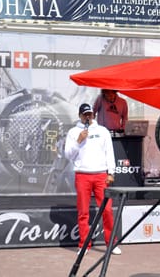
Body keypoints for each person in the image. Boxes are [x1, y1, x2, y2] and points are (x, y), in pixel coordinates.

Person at [64, 103, 121, 255]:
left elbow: (109, 152)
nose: (88, 117)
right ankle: (84, 244)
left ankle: (111, 244)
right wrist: (78, 141)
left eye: (90, 114)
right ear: (79, 115)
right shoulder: (73, 132)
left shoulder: (102, 131)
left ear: (93, 115)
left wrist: (111, 173)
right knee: (83, 212)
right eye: (85, 114)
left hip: (101, 175)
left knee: (107, 210)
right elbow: (68, 155)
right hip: (82, 175)